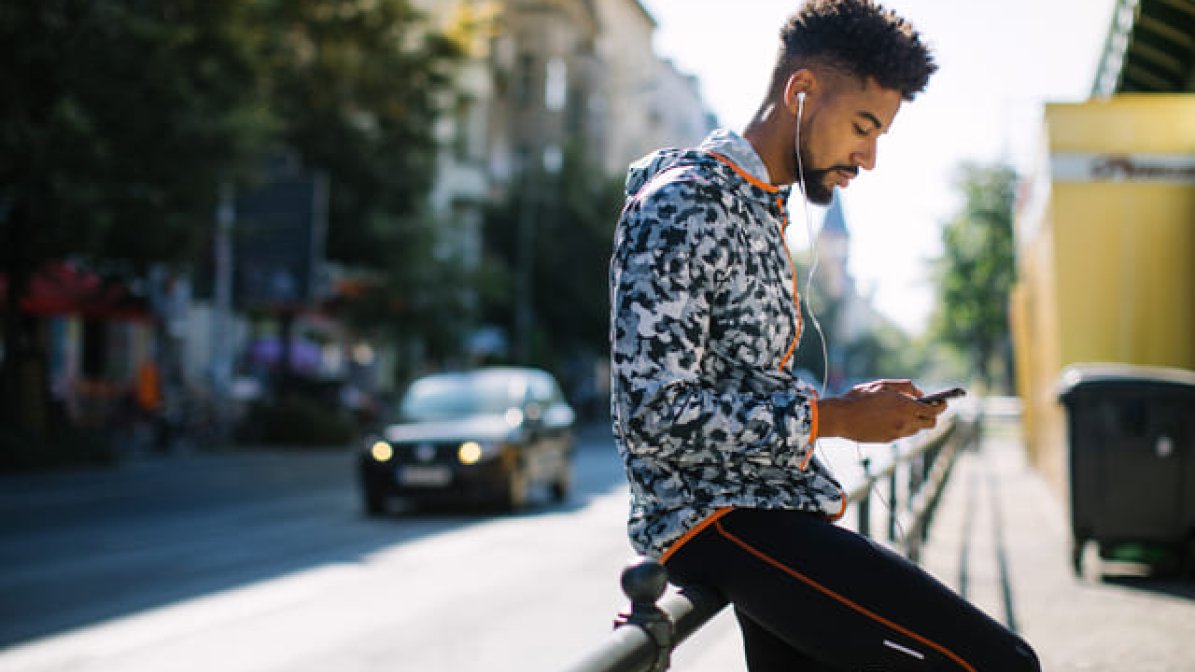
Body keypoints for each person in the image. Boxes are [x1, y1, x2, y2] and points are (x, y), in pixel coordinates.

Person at [607, 1, 1040, 670]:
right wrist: (832, 417)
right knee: (1002, 663)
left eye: (879, 136)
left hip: (773, 511)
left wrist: (849, 405)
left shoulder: (757, 208)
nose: (867, 157)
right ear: (801, 92)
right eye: (862, 127)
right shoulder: (684, 203)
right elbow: (651, 416)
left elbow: (738, 382)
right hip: (723, 520)